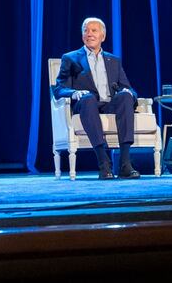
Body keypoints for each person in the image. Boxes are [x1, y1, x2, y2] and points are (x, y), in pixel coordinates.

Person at [53, 18, 141, 179]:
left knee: (125, 97)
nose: (89, 34)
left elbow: (127, 87)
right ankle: (103, 163)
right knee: (88, 98)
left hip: (109, 104)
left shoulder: (113, 60)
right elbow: (58, 89)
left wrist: (130, 94)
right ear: (82, 36)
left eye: (94, 30)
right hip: (86, 104)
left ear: (103, 36)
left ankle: (125, 164)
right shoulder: (70, 58)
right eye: (86, 30)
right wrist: (74, 93)